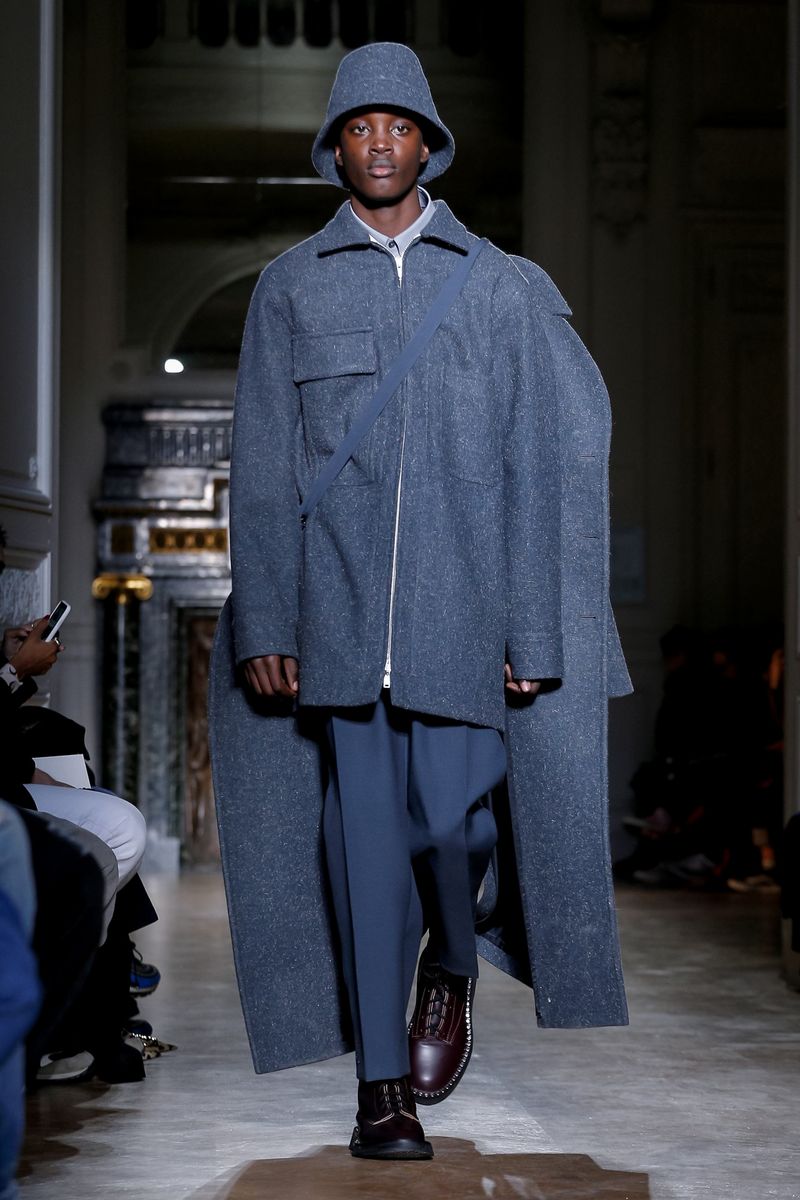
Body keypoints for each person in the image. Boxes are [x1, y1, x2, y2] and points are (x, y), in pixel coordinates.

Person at [210, 42, 629, 1161]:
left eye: (400, 126)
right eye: (361, 127)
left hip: (466, 618)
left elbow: (540, 467)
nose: (381, 144)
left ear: (429, 144)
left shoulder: (496, 284)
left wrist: (533, 626)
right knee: (359, 854)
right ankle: (379, 1091)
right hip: (341, 622)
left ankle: (451, 960)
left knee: (452, 825)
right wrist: (269, 620)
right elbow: (262, 466)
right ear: (334, 147)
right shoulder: (291, 286)